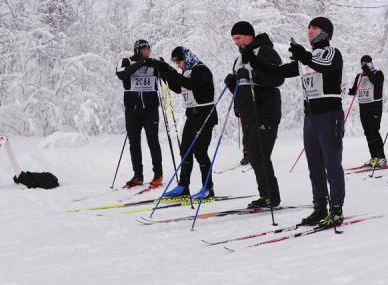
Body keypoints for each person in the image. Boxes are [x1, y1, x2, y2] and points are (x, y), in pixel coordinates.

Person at [247, 17, 346, 227]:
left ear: (326, 33)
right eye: (309, 28)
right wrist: (253, 60)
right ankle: (320, 207)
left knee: (331, 163)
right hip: (310, 117)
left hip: (329, 115)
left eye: (315, 28)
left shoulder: (331, 53)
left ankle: (336, 209)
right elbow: (278, 72)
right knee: (314, 165)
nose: (310, 31)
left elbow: (325, 66)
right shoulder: (307, 58)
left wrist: (304, 56)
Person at [225, 21, 284, 208]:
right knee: (253, 154)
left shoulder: (265, 52)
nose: (236, 42)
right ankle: (265, 194)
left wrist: (250, 76)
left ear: (250, 36)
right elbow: (242, 86)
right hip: (249, 111)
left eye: (239, 37)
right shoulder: (240, 58)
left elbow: (277, 77)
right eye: (234, 39)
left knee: (260, 153)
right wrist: (232, 86)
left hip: (266, 108)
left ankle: (271, 196)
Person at [155, 47, 218, 200]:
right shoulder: (187, 71)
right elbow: (178, 88)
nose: (178, 65)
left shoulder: (201, 69)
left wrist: (170, 71)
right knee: (185, 151)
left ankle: (208, 188)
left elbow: (191, 85)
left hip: (205, 114)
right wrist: (164, 74)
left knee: (200, 151)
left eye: (179, 61)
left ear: (187, 57)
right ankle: (183, 186)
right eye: (176, 63)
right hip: (192, 115)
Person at [115, 39, 163, 188]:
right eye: (144, 50)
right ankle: (138, 175)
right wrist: (140, 63)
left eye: (149, 49)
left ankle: (158, 174)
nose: (147, 52)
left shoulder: (152, 62)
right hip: (132, 109)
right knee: (134, 143)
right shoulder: (126, 61)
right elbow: (122, 75)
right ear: (137, 50)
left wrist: (158, 64)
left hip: (150, 109)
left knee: (152, 140)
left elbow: (165, 74)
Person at [348, 55, 387, 167]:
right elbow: (354, 90)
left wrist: (367, 70)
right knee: (368, 132)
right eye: (362, 63)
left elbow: (376, 82)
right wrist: (344, 90)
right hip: (363, 106)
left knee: (374, 131)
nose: (363, 65)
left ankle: (382, 157)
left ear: (371, 63)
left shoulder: (377, 73)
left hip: (374, 106)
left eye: (366, 63)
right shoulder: (359, 76)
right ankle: (374, 157)